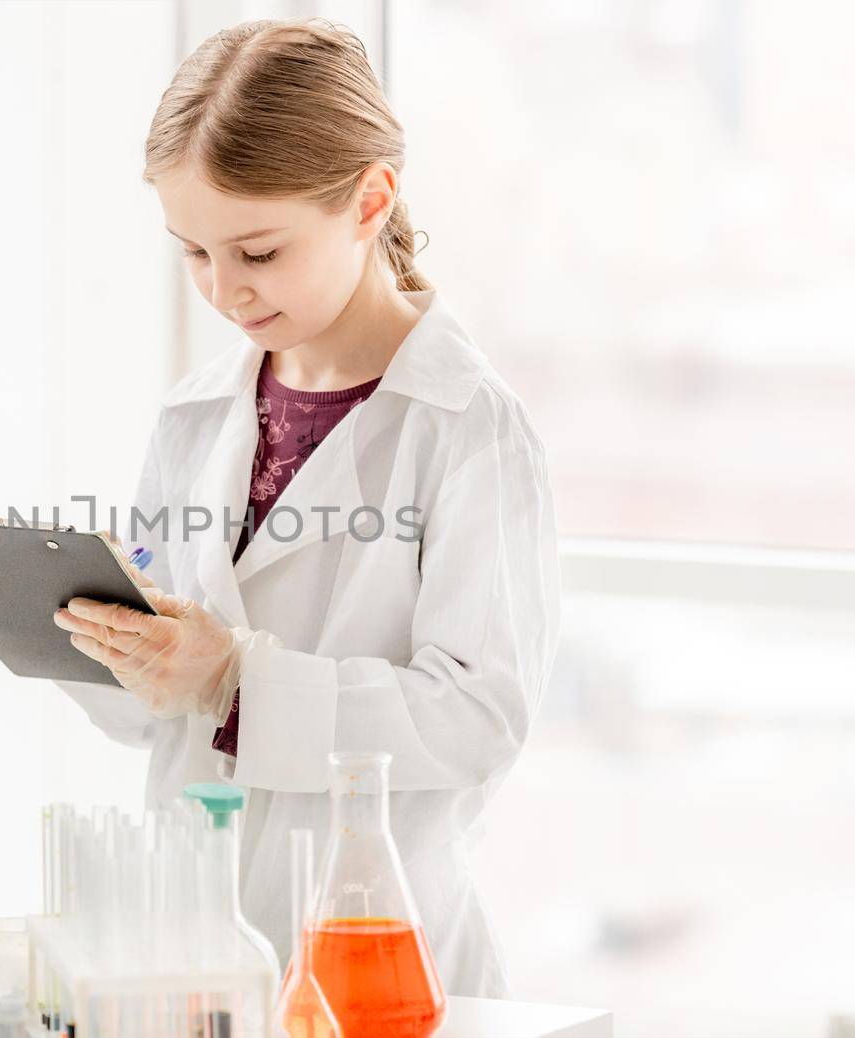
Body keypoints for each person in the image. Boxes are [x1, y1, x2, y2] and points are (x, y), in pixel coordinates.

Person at [51, 18, 559, 998]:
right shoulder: (194, 415)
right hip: (196, 945)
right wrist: (108, 636)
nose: (223, 289)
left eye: (258, 250)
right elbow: (156, 721)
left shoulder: (467, 427)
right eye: (192, 253)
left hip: (382, 949)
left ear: (370, 200)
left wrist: (237, 680)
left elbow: (479, 715)